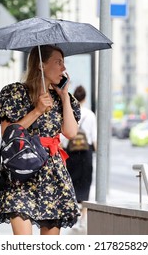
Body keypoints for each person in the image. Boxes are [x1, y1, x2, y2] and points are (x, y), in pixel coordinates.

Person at [0, 45, 81, 235]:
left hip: (52, 172)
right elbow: (7, 135)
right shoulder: (15, 93)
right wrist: (37, 110)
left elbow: (71, 133)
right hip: (22, 171)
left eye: (63, 63)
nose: (64, 69)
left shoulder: (64, 99)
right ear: (41, 65)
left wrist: (63, 97)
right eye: (58, 62)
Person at [65, 85, 97, 228]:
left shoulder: (69, 113)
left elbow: (64, 137)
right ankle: (83, 218)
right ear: (84, 98)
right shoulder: (90, 114)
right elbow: (94, 137)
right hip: (86, 152)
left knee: (71, 183)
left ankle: (74, 216)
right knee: (85, 183)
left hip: (71, 152)